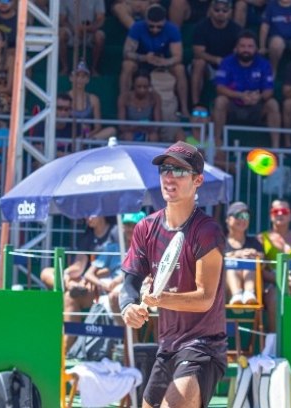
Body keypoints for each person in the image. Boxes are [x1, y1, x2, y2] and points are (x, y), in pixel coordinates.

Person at [119, 141, 227, 408]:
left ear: (197, 180)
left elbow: (205, 299)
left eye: (180, 171)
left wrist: (160, 299)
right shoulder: (145, 227)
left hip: (204, 347)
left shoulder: (207, 231)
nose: (169, 177)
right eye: (166, 169)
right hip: (167, 347)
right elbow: (130, 283)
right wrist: (128, 307)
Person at [41, 215, 119, 349]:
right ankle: (69, 286)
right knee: (46, 273)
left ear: (103, 213)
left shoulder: (116, 232)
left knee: (70, 297)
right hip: (85, 281)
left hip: (104, 283)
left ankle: (65, 349)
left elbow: (114, 266)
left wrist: (92, 278)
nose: (87, 217)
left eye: (91, 213)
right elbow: (79, 267)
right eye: (85, 214)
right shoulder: (87, 237)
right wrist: (65, 275)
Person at [213, 30, 282, 147]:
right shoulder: (227, 62)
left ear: (256, 49)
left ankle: (276, 148)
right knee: (220, 101)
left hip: (256, 106)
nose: (246, 49)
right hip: (233, 106)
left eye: (250, 46)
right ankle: (216, 142)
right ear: (236, 48)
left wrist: (258, 97)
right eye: (243, 46)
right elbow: (219, 87)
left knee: (273, 104)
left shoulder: (264, 64)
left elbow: (269, 90)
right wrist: (240, 95)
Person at [120, 4, 190, 118]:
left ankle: (184, 108)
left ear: (164, 22)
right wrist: (144, 58)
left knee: (180, 68)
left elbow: (178, 56)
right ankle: (124, 104)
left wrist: (165, 62)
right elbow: (126, 52)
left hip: (164, 60)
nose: (155, 30)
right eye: (151, 26)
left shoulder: (172, 29)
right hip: (143, 59)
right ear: (146, 21)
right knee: (127, 65)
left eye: (159, 27)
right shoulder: (137, 27)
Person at [84, 211, 147, 325]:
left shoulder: (146, 249)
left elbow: (146, 273)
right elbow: (88, 274)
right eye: (127, 224)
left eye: (134, 225)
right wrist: (104, 284)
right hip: (110, 289)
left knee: (115, 296)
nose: (130, 229)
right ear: (122, 226)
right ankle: (68, 342)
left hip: (138, 288)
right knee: (72, 296)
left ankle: (128, 339)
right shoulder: (113, 248)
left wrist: (117, 280)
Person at [258, 199, 291, 330]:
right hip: (273, 284)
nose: (280, 214)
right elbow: (261, 270)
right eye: (276, 211)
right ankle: (274, 341)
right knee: (275, 300)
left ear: (290, 216)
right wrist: (283, 280)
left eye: (284, 211)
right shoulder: (262, 238)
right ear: (270, 215)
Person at [190, 0, 240, 106]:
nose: (220, 13)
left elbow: (239, 52)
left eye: (224, 10)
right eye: (217, 10)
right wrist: (216, 59)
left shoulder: (236, 29)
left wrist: (226, 62)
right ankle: (196, 104)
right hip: (209, 67)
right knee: (199, 63)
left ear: (230, 12)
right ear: (211, 10)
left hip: (228, 66)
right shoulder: (201, 27)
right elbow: (198, 53)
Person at [224, 201, 264, 305]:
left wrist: (256, 255)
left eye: (245, 215)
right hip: (224, 289)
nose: (242, 219)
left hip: (252, 287)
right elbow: (213, 262)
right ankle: (237, 294)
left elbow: (264, 264)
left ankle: (248, 294)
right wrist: (235, 255)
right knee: (232, 263)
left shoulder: (254, 242)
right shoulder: (220, 242)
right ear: (228, 219)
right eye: (238, 215)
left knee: (249, 261)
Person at [258, 0, 291, 77]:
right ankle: (272, 70)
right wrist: (262, 46)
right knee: (276, 44)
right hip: (276, 36)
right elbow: (264, 27)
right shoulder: (271, 5)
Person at [68, 61, 117, 140]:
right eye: (77, 76)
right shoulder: (64, 97)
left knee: (111, 130)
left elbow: (97, 127)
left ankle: (86, 143)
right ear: (71, 78)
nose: (80, 79)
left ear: (87, 80)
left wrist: (87, 136)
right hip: (69, 135)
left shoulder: (93, 99)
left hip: (88, 136)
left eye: (83, 76)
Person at [58, 0, 106, 76]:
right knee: (61, 34)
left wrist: (86, 29)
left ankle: (93, 68)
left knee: (100, 36)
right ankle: (65, 67)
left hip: (90, 31)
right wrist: (74, 29)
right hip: (72, 31)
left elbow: (100, 19)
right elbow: (62, 19)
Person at [117, 70, 162, 142]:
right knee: (128, 136)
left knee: (154, 137)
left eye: (145, 87)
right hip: (129, 131)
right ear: (133, 85)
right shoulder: (124, 98)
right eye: (139, 87)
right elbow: (121, 125)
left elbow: (158, 124)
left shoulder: (155, 97)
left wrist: (149, 128)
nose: (142, 90)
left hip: (148, 131)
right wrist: (133, 128)